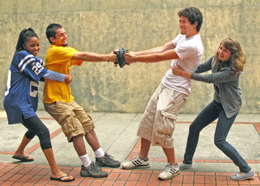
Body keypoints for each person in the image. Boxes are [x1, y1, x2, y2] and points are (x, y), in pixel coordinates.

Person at [122, 7, 204, 180]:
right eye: (180, 20)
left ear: (195, 23)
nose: (180, 24)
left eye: (184, 21)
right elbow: (160, 48)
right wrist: (135, 54)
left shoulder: (193, 44)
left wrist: (135, 59)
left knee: (162, 128)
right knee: (148, 119)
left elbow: (161, 57)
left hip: (177, 91)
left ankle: (173, 166)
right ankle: (142, 158)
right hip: (166, 84)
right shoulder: (183, 36)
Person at [43, 23, 120, 178]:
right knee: (76, 130)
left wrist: (107, 56)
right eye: (61, 35)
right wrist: (108, 57)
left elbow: (81, 57)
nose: (65, 36)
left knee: (86, 123)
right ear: (52, 39)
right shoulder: (55, 51)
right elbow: (83, 56)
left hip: (67, 98)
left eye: (65, 33)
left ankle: (100, 157)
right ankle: (86, 166)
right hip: (55, 100)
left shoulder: (66, 50)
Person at [172, 38, 255, 181]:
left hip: (230, 106)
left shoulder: (232, 71)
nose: (220, 52)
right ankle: (187, 162)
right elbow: (199, 68)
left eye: (225, 50)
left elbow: (210, 78)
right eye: (220, 48)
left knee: (220, 141)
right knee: (194, 127)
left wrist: (184, 74)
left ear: (232, 54)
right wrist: (183, 65)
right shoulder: (215, 60)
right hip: (218, 102)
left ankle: (246, 169)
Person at [4, 28, 75, 182]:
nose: (36, 48)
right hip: (18, 103)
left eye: (37, 45)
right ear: (24, 45)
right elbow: (44, 73)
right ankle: (55, 171)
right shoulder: (23, 56)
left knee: (33, 128)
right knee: (42, 131)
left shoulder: (29, 58)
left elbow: (43, 73)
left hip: (23, 103)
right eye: (32, 45)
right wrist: (63, 77)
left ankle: (19, 152)